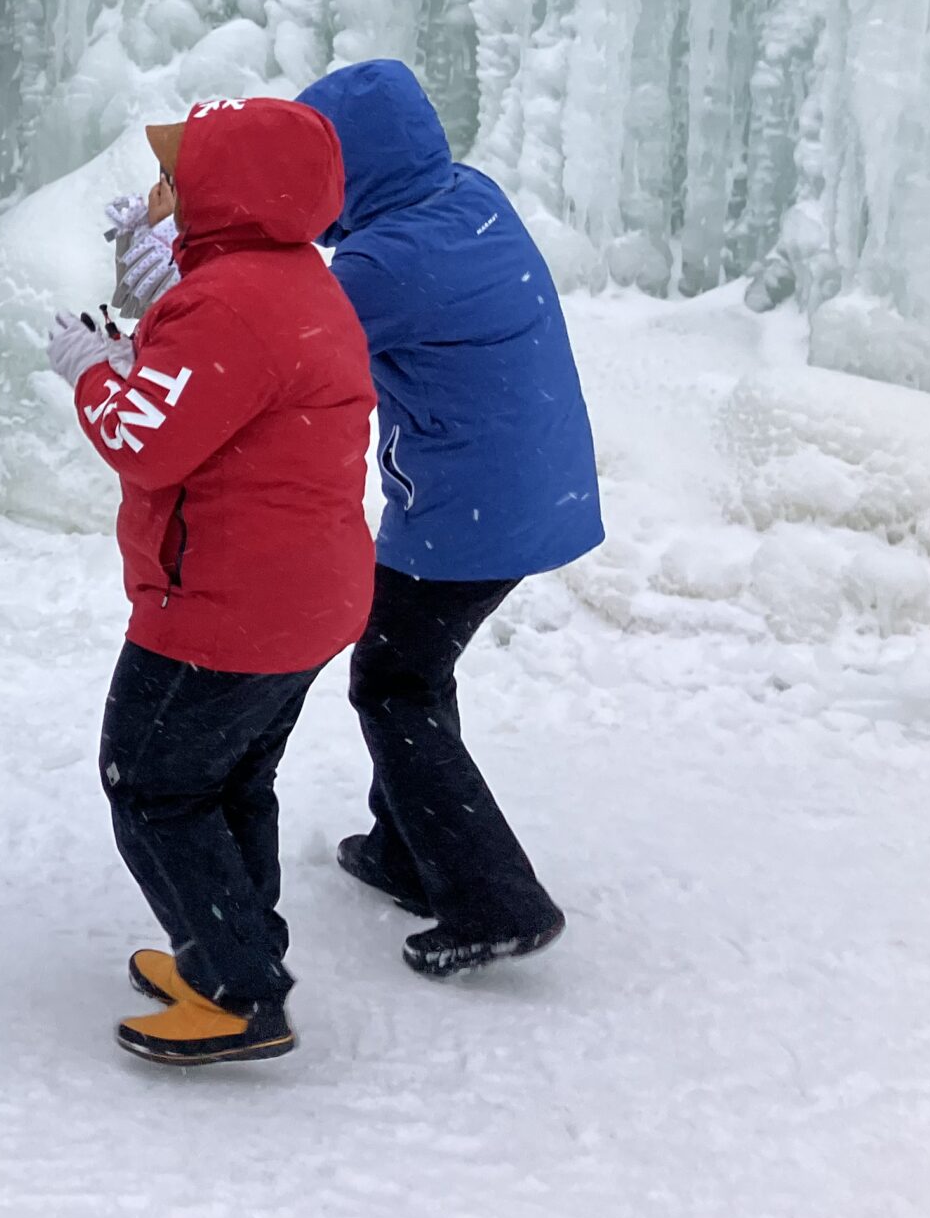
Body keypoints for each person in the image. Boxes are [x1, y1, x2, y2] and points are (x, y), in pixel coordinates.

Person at [48, 96, 372, 1066]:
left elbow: (142, 439)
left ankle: (237, 992)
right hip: (305, 598)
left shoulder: (227, 302)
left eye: (176, 175)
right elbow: (217, 396)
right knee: (231, 784)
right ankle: (231, 950)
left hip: (225, 609)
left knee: (149, 783)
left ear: (229, 192)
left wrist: (91, 372)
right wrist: (138, 350)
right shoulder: (294, 282)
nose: (161, 191)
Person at [294, 60, 600, 977]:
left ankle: (495, 900)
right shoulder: (467, 195)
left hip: (469, 510)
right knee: (414, 669)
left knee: (392, 683)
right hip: (534, 484)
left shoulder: (383, 263)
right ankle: (406, 849)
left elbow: (287, 344)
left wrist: (187, 262)